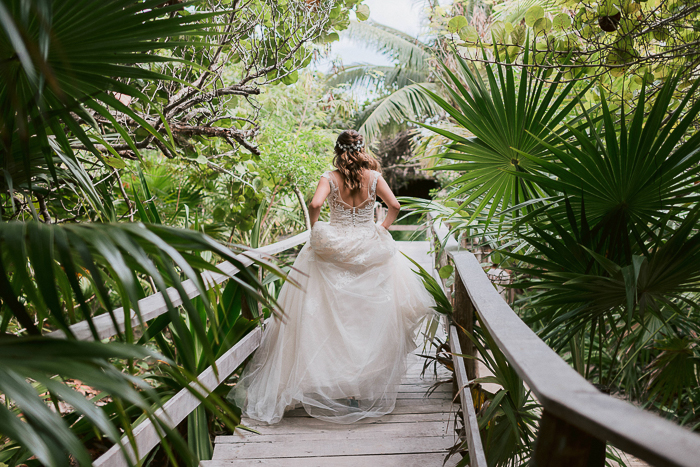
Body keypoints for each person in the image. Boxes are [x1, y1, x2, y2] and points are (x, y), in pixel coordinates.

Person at [230, 130, 435, 424]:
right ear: (362, 149)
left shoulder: (329, 177)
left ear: (338, 151)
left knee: (329, 316)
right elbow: (396, 206)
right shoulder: (374, 178)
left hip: (335, 248)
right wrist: (382, 228)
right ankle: (360, 384)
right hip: (368, 247)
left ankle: (332, 382)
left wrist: (315, 229)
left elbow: (315, 205)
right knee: (366, 318)